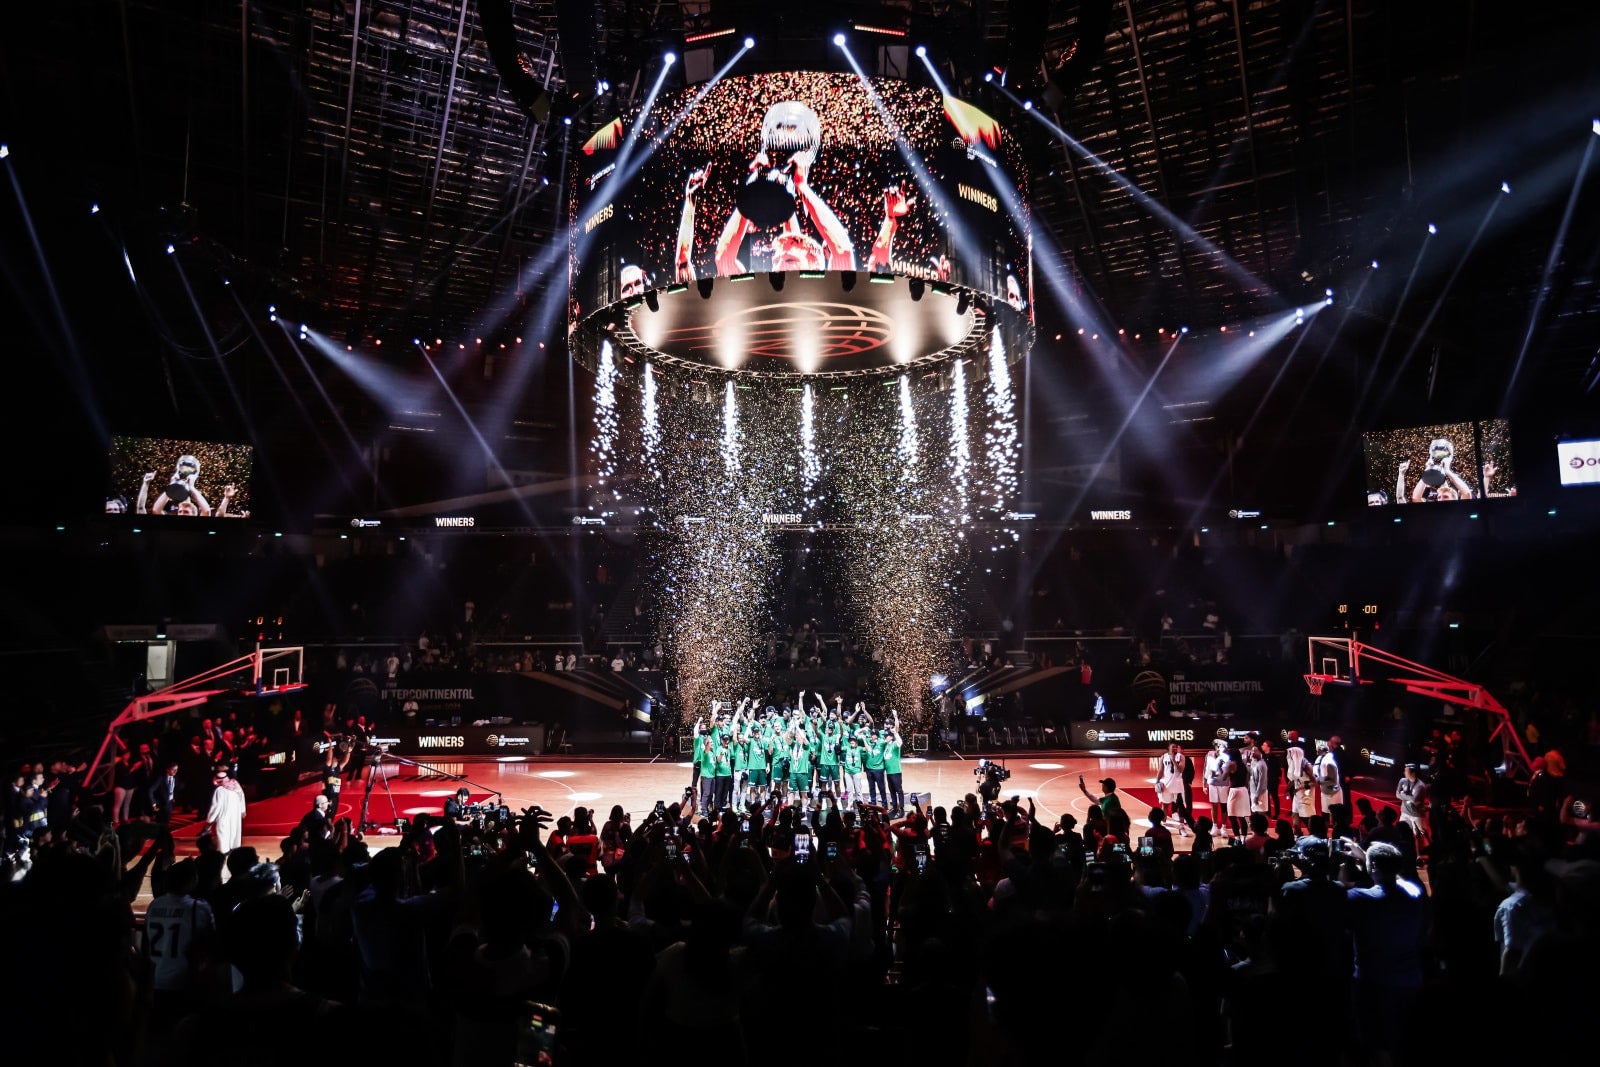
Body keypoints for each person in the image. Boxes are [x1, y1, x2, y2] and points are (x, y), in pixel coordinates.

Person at [203, 767, 246, 854]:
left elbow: (216, 807)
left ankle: (224, 851)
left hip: (224, 815)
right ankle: (234, 848)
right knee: (234, 830)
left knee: (223, 832)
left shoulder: (219, 790)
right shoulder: (235, 785)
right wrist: (242, 810)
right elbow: (242, 797)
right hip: (235, 814)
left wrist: (210, 819)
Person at [1156, 743, 1191, 835]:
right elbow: (1160, 770)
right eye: (1173, 747)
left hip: (1178, 786)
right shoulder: (1163, 757)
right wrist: (1157, 781)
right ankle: (1163, 824)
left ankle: (1181, 827)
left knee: (1180, 807)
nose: (1175, 748)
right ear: (1168, 748)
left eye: (1176, 747)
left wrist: (1173, 760)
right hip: (1167, 785)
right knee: (1165, 805)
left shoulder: (1181, 757)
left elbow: (1180, 770)